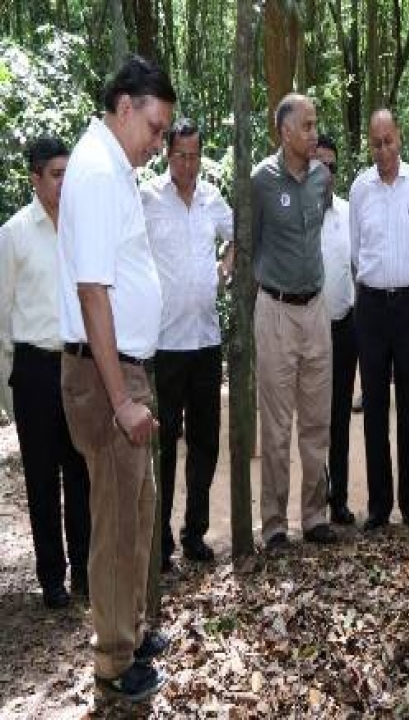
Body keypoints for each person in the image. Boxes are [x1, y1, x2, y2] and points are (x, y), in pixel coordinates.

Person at [58, 55, 175, 702]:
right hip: (108, 377)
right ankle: (112, 662)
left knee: (138, 510)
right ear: (124, 107)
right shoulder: (99, 170)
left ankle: (127, 630)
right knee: (115, 524)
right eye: (155, 128)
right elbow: (93, 293)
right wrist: (121, 397)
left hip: (126, 370)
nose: (159, 142)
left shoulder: (114, 166)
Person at [0, 137, 90, 609]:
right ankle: (51, 577)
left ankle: (84, 572)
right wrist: (9, 393)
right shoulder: (13, 235)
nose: (63, 182)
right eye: (56, 174)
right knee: (41, 478)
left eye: (67, 172)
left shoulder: (80, 228)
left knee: (81, 472)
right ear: (35, 179)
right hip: (33, 370)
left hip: (77, 364)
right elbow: (1, 320)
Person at [142, 118, 234, 571]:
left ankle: (194, 532)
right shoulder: (148, 200)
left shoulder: (211, 198)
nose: (189, 163)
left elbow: (238, 235)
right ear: (167, 154)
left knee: (205, 442)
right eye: (181, 155)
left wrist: (224, 268)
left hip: (205, 340)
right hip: (163, 344)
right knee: (163, 446)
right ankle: (159, 542)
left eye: (195, 155)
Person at [252, 93, 335, 549]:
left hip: (316, 308)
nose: (314, 132)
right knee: (277, 425)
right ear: (285, 132)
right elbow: (251, 241)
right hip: (276, 311)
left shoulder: (322, 178)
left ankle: (315, 515)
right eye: (306, 125)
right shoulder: (261, 181)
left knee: (316, 421)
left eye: (315, 123)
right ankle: (274, 524)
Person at [350, 109, 409, 531]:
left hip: (408, 306)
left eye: (389, 141)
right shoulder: (360, 189)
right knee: (376, 405)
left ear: (399, 137)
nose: (383, 150)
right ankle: (380, 505)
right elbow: (356, 249)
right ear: (369, 143)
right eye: (376, 143)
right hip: (372, 307)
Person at [315, 134, 357, 525]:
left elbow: (360, 266)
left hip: (345, 328)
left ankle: (338, 497)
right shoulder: (296, 213)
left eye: (332, 167)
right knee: (315, 419)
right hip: (308, 330)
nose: (326, 173)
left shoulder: (348, 213)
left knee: (340, 416)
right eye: (320, 165)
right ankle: (315, 502)